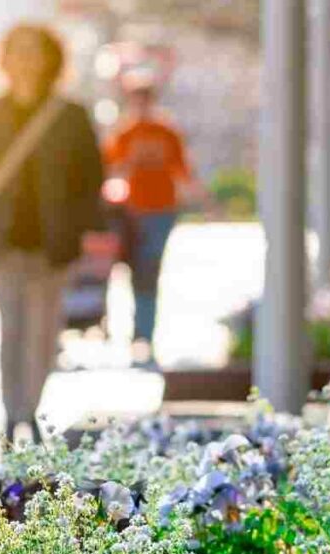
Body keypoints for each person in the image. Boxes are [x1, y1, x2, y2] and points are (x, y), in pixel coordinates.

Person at [0, 24, 104, 443]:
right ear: (4, 59)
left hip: (52, 247)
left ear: (50, 59)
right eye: (17, 51)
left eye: (33, 51)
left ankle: (31, 409)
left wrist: (77, 226)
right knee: (11, 329)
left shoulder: (70, 116)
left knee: (42, 333)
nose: (25, 60)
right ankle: (11, 413)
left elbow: (90, 177)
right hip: (3, 245)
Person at [103, 78, 196, 366]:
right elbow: (108, 169)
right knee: (134, 271)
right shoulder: (125, 133)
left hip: (162, 211)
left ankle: (144, 334)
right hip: (132, 212)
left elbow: (182, 170)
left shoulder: (166, 132)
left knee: (150, 269)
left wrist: (204, 200)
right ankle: (133, 331)